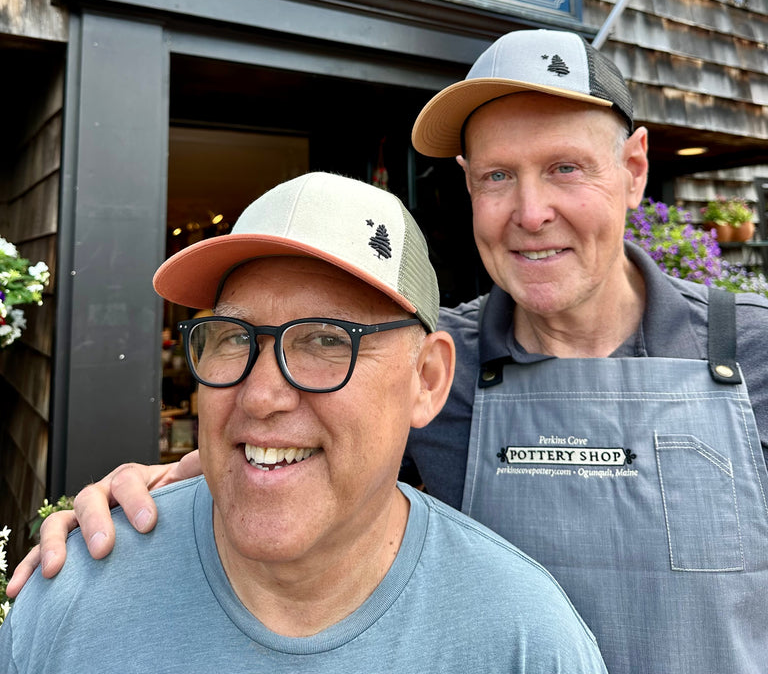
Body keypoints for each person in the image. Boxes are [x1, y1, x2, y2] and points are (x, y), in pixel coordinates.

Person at [9, 29, 768, 674]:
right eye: (498, 176)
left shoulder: (754, 352)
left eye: (566, 168)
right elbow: (291, 459)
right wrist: (149, 500)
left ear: (634, 169)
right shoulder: (433, 361)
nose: (532, 212)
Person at [0, 171, 607, 674]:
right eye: (234, 337)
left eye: (326, 339)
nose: (261, 395)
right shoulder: (73, 599)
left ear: (426, 381)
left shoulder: (522, 639)